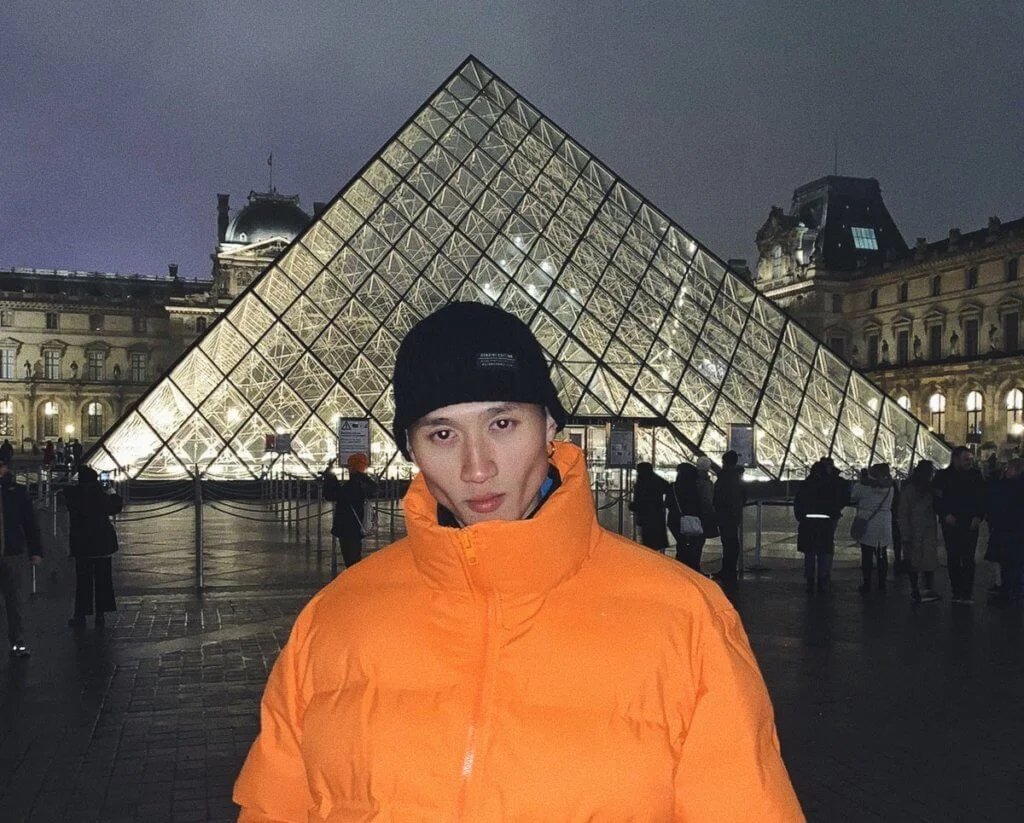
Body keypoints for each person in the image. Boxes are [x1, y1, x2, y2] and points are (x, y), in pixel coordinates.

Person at [234, 302, 803, 820]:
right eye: (442, 434)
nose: (477, 467)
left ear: (550, 425)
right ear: (412, 449)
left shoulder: (690, 618)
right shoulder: (331, 618)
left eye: (502, 424)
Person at [64, 466, 122, 627]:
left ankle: (81, 615)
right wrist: (111, 491)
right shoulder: (100, 494)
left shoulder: (73, 494)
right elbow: (115, 507)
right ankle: (100, 615)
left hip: (82, 546)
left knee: (83, 582)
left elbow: (68, 498)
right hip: (102, 544)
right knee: (103, 581)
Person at [0, 459, 42, 657]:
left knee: (15, 601)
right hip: (12, 551)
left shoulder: (17, 492)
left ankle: (17, 641)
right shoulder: (16, 491)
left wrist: (36, 550)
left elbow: (30, 522)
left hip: (12, 552)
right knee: (14, 600)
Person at [933, 446, 985, 604]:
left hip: (970, 521)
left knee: (968, 557)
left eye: (970, 459)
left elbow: (983, 497)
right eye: (966, 459)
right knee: (954, 556)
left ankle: (967, 593)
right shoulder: (943, 476)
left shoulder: (976, 475)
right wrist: (945, 514)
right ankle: (956, 591)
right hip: (951, 521)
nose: (969, 462)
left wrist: (978, 516)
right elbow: (936, 499)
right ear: (955, 459)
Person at [794, 458, 848, 595]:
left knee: (809, 553)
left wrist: (801, 517)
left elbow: (798, 503)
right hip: (825, 522)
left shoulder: (805, 485)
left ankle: (810, 580)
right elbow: (837, 501)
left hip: (808, 522)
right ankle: (823, 579)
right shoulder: (830, 485)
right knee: (824, 552)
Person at [322, 452, 378, 569]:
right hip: (357, 524)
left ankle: (355, 578)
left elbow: (333, 495)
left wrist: (330, 477)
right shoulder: (365, 482)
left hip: (347, 526)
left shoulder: (353, 484)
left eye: (350, 466)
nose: (348, 469)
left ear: (353, 467)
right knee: (355, 555)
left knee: (351, 559)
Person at [898, 460, 941, 603]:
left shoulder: (912, 488)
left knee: (918, 561)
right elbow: (903, 512)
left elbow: (902, 512)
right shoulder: (924, 489)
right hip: (919, 529)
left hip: (919, 529)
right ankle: (922, 589)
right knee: (921, 561)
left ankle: (918, 589)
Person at [985, 457, 1024, 603]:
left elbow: (997, 504)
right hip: (1016, 530)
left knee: (1008, 564)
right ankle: (1016, 591)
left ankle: (1007, 592)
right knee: (1016, 564)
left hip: (1007, 530)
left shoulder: (1007, 486)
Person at [851, 463, 895, 593]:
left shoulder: (863, 487)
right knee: (882, 554)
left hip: (867, 522)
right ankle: (882, 583)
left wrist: (861, 480)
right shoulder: (890, 487)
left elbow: (853, 496)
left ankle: (867, 583)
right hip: (884, 522)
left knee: (867, 555)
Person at [666, 462, 715, 570]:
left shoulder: (673, 486)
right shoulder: (696, 487)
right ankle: (693, 568)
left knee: (682, 545)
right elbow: (703, 503)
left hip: (676, 520)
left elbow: (668, 503)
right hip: (695, 520)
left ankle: (681, 568)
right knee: (694, 546)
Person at [712, 449, 746, 583]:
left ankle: (727, 570)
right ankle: (730, 569)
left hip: (725, 514)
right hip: (734, 514)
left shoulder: (724, 477)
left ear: (724, 462)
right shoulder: (738, 478)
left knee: (727, 543)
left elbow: (718, 497)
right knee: (732, 543)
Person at [628, 462, 669, 552]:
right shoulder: (656, 479)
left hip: (645, 517)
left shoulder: (641, 482)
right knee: (656, 540)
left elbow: (640, 501)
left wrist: (632, 506)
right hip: (657, 515)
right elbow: (667, 487)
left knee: (646, 541)